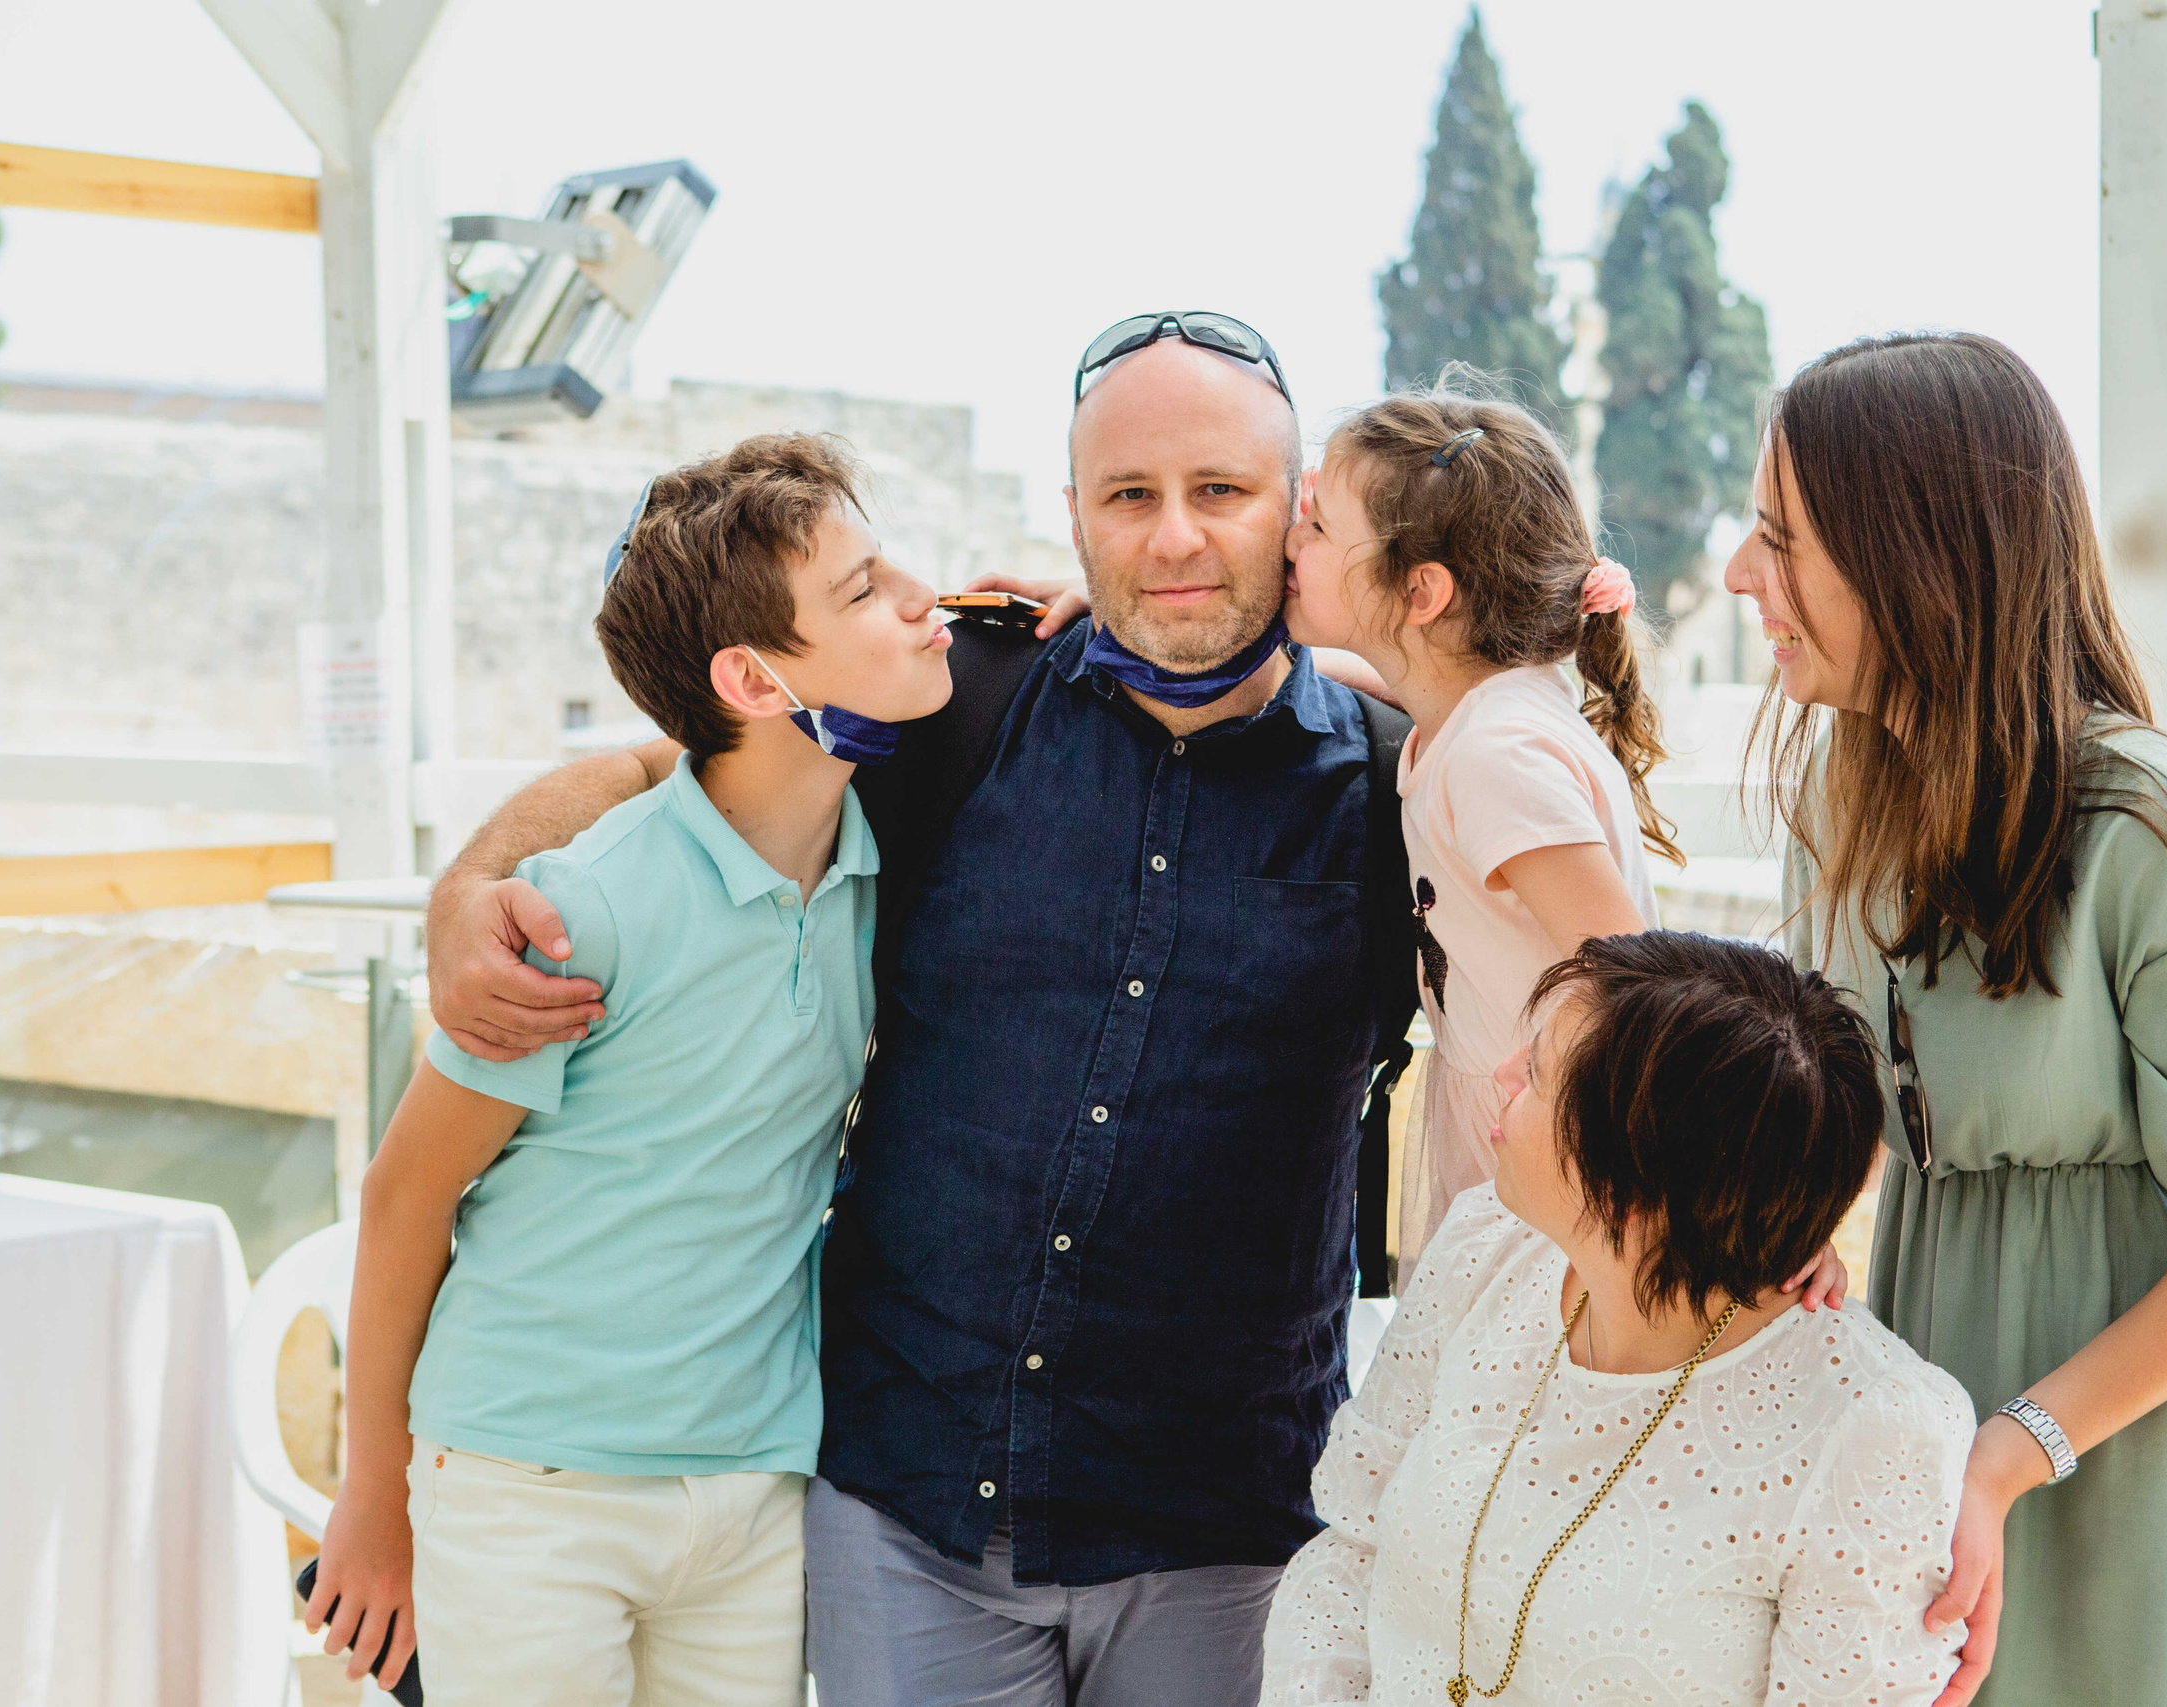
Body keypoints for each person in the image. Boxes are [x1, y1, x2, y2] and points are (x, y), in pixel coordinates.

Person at [423, 310, 1413, 1707]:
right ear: (1073, 513)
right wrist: (469, 887)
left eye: (1221, 493)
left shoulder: (1399, 783)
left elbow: (1562, 959)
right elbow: (671, 768)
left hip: (1231, 1526)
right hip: (914, 1501)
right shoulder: (963, 696)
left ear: (1296, 511)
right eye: (1130, 496)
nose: (1175, 537)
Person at [1722, 331, 2167, 1707]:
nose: (1741, 573)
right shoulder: (1841, 806)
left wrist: (2014, 1448)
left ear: (1917, 552)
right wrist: (1795, 1233)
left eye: (1785, 536)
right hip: (1933, 1414)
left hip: (2140, 1445)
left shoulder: (2150, 835)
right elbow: (1863, 1096)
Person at [306, 433, 954, 1702]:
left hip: (756, 1482)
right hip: (529, 1485)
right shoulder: (577, 909)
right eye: (865, 586)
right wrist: (372, 1501)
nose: (921, 597)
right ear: (756, 681)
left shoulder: (876, 863)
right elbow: (403, 1198)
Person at [1260, 931, 1976, 1706]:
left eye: (1535, 1075)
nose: (1502, 1076)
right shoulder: (1482, 1249)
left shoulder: (1876, 1430)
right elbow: (1348, 1551)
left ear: (1630, 1185)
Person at [1273, 380, 1832, 1314]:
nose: (1291, 540)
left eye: (1319, 527)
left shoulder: (1496, 754)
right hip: (1512, 1150)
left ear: (1422, 591)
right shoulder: (1473, 708)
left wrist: (1750, 1212)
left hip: (1554, 1182)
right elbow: (1355, 662)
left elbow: (1639, 984)